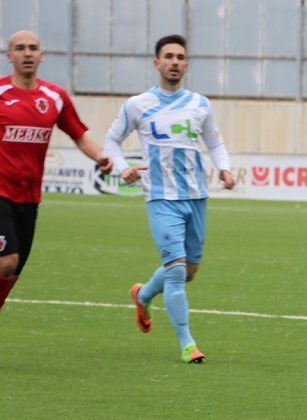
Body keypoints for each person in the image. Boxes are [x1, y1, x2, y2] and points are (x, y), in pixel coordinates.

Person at [104, 34, 234, 363]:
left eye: (180, 57)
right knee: (176, 272)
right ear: (157, 63)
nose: (175, 61)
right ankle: (188, 344)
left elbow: (215, 143)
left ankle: (143, 294)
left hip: (196, 197)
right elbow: (111, 141)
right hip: (161, 198)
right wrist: (122, 169)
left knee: (189, 271)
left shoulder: (200, 104)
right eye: (169, 56)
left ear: (186, 64)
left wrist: (225, 169)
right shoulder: (137, 105)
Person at [0, 30, 111, 316]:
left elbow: (80, 135)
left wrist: (100, 156)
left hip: (29, 198)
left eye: (33, 48)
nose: (27, 53)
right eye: (20, 48)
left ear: (41, 56)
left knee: (13, 272)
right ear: (9, 56)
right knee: (6, 262)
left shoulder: (55, 97)